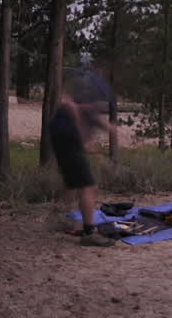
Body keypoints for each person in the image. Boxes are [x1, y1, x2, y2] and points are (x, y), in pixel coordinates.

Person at [50, 65, 114, 247]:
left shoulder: (89, 85)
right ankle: (89, 232)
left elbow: (81, 112)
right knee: (88, 186)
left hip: (61, 136)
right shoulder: (95, 89)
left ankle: (55, 217)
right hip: (68, 137)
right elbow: (80, 110)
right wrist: (102, 130)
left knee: (72, 183)